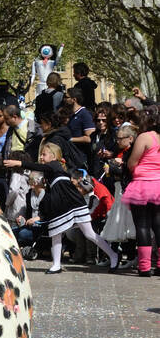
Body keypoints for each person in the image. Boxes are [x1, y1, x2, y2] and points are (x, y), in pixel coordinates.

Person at [35, 142, 119, 275]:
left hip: (76, 205)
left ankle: (113, 255)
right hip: (65, 207)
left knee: (89, 234)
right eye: (41, 154)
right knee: (56, 233)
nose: (41, 157)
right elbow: (50, 194)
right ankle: (56, 264)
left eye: (43, 154)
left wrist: (20, 164)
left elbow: (94, 190)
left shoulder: (56, 167)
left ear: (53, 156)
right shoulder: (51, 171)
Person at [121, 105, 160, 277]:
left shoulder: (144, 137)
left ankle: (144, 267)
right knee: (159, 225)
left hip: (143, 185)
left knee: (143, 225)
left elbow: (132, 162)